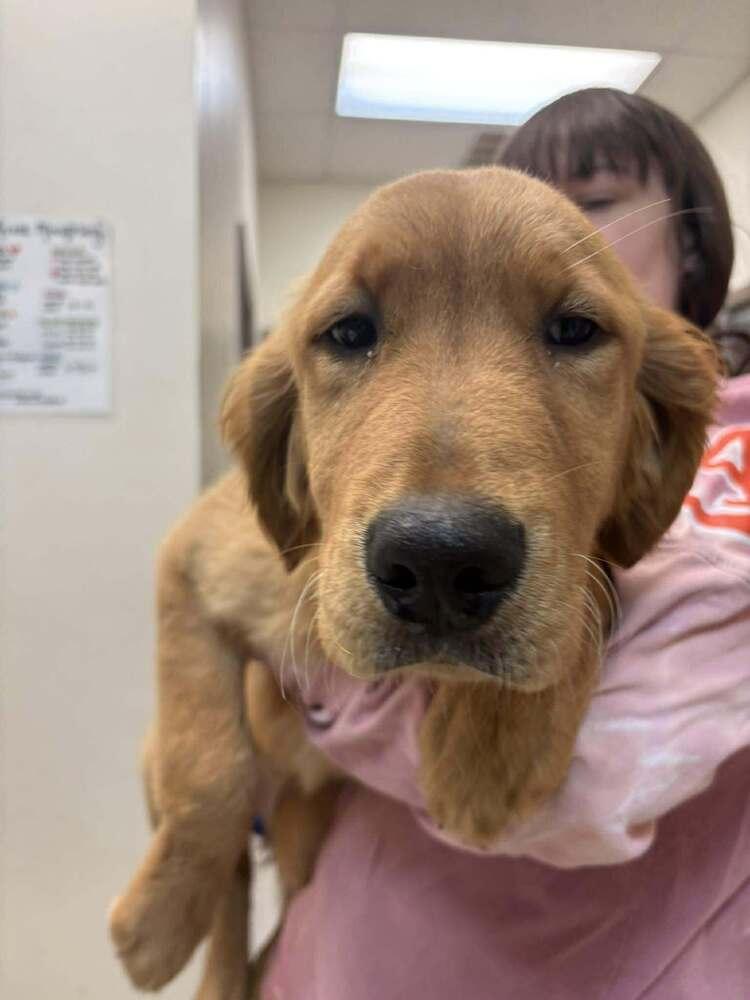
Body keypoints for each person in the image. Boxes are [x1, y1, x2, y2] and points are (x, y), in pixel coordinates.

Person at [260, 90, 750, 999]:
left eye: (589, 200)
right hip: (345, 953)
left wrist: (323, 690)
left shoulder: (722, 434)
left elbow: (602, 782)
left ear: (691, 241)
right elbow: (273, 652)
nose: (515, 225)